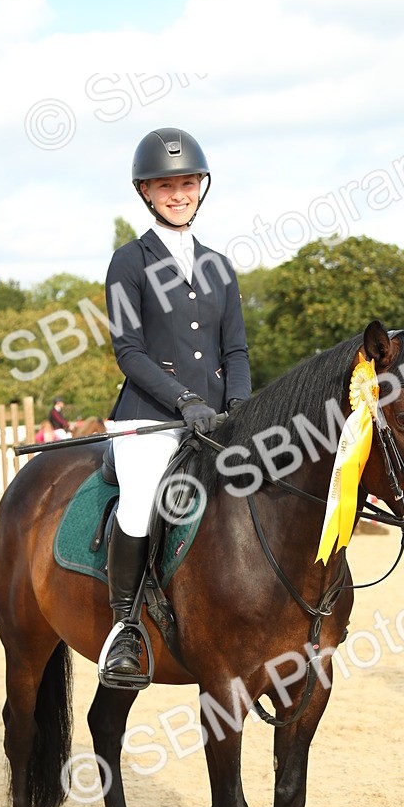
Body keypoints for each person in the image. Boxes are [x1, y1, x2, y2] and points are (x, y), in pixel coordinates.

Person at [101, 127, 251, 689]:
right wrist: (182, 399)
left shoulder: (219, 264)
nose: (178, 193)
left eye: (187, 183)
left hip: (216, 420)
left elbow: (234, 349)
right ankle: (125, 631)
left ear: (200, 187)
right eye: (167, 186)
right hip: (149, 418)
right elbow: (128, 351)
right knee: (141, 502)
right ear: (146, 192)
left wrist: (238, 407)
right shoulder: (128, 261)